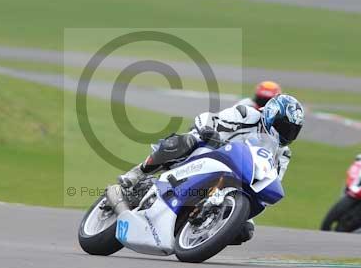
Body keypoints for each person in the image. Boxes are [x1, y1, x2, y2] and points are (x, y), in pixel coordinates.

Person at [107, 94, 305, 243]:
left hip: (236, 180)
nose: (287, 134)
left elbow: (273, 178)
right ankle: (137, 173)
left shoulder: (283, 153)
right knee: (188, 140)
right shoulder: (247, 115)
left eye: (292, 131)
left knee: (245, 230)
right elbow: (208, 118)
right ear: (271, 115)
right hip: (210, 152)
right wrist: (208, 132)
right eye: (283, 126)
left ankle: (195, 231)